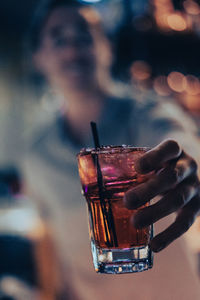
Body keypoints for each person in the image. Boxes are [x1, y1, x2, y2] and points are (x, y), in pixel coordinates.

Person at [23, 0, 200, 299]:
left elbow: (180, 143)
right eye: (58, 38)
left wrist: (187, 168)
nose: (72, 50)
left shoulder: (147, 113)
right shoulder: (36, 155)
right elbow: (50, 241)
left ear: (108, 47)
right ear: (39, 57)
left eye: (84, 36)